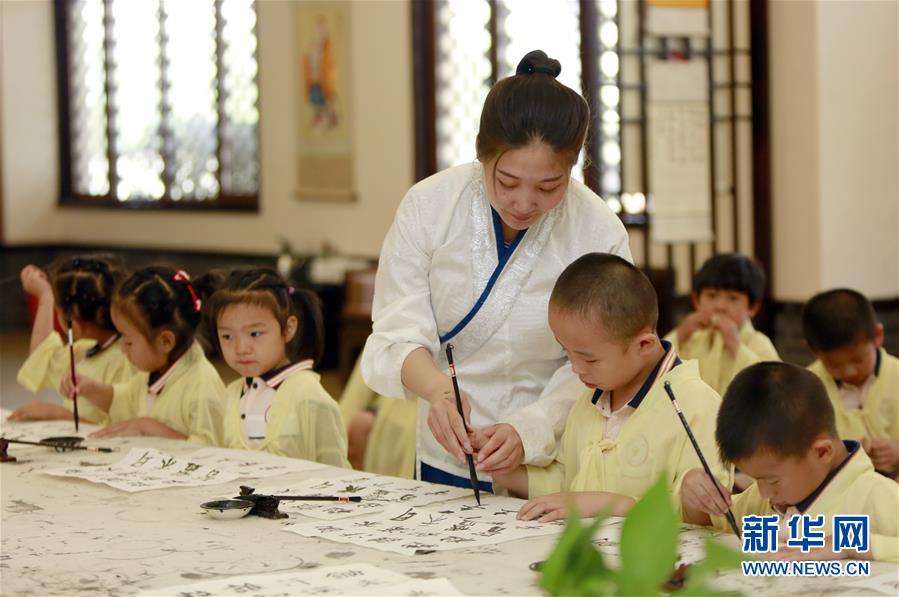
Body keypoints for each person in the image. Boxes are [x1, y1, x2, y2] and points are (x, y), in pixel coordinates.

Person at [361, 50, 630, 490]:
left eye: (549, 186)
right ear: (482, 153)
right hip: (448, 440)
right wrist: (435, 390)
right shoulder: (429, 207)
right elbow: (396, 330)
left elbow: (603, 357)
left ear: (572, 167)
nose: (525, 203)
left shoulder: (597, 230)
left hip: (553, 448)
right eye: (507, 182)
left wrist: (531, 427)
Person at [491, 254, 729, 521]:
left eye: (589, 358)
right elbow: (569, 485)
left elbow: (707, 517)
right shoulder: (589, 401)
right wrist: (506, 472)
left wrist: (608, 504)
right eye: (566, 352)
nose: (576, 368)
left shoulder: (698, 406)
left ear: (644, 345)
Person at [681, 362, 899, 562]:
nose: (764, 493)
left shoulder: (878, 496)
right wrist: (694, 495)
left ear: (822, 452)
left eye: (773, 481)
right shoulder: (761, 500)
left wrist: (854, 544)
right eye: (756, 480)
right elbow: (709, 522)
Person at [205, 268, 349, 467]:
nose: (241, 348)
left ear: (288, 328)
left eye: (255, 334)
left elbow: (336, 470)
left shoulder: (308, 395)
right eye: (227, 336)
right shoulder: (231, 393)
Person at [76, 267, 226, 444]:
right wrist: (90, 389)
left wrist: (148, 427)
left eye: (129, 341)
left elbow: (210, 451)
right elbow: (123, 401)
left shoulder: (202, 386)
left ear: (165, 342)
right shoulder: (155, 370)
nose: (122, 348)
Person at [10, 256, 136, 425]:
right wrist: (45, 296)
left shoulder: (127, 359)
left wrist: (57, 413)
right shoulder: (87, 348)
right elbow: (43, 360)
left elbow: (123, 425)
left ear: (75, 324)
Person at [802, 289, 899, 478]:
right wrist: (844, 456)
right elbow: (800, 455)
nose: (849, 372)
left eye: (858, 360)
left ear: (878, 336)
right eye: (834, 364)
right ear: (814, 350)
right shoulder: (806, 389)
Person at [665, 253, 779, 396]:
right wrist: (680, 335)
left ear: (753, 307)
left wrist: (736, 346)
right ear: (696, 300)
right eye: (711, 296)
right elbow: (658, 370)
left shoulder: (757, 343)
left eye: (733, 298)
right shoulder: (691, 339)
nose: (720, 306)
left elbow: (774, 388)